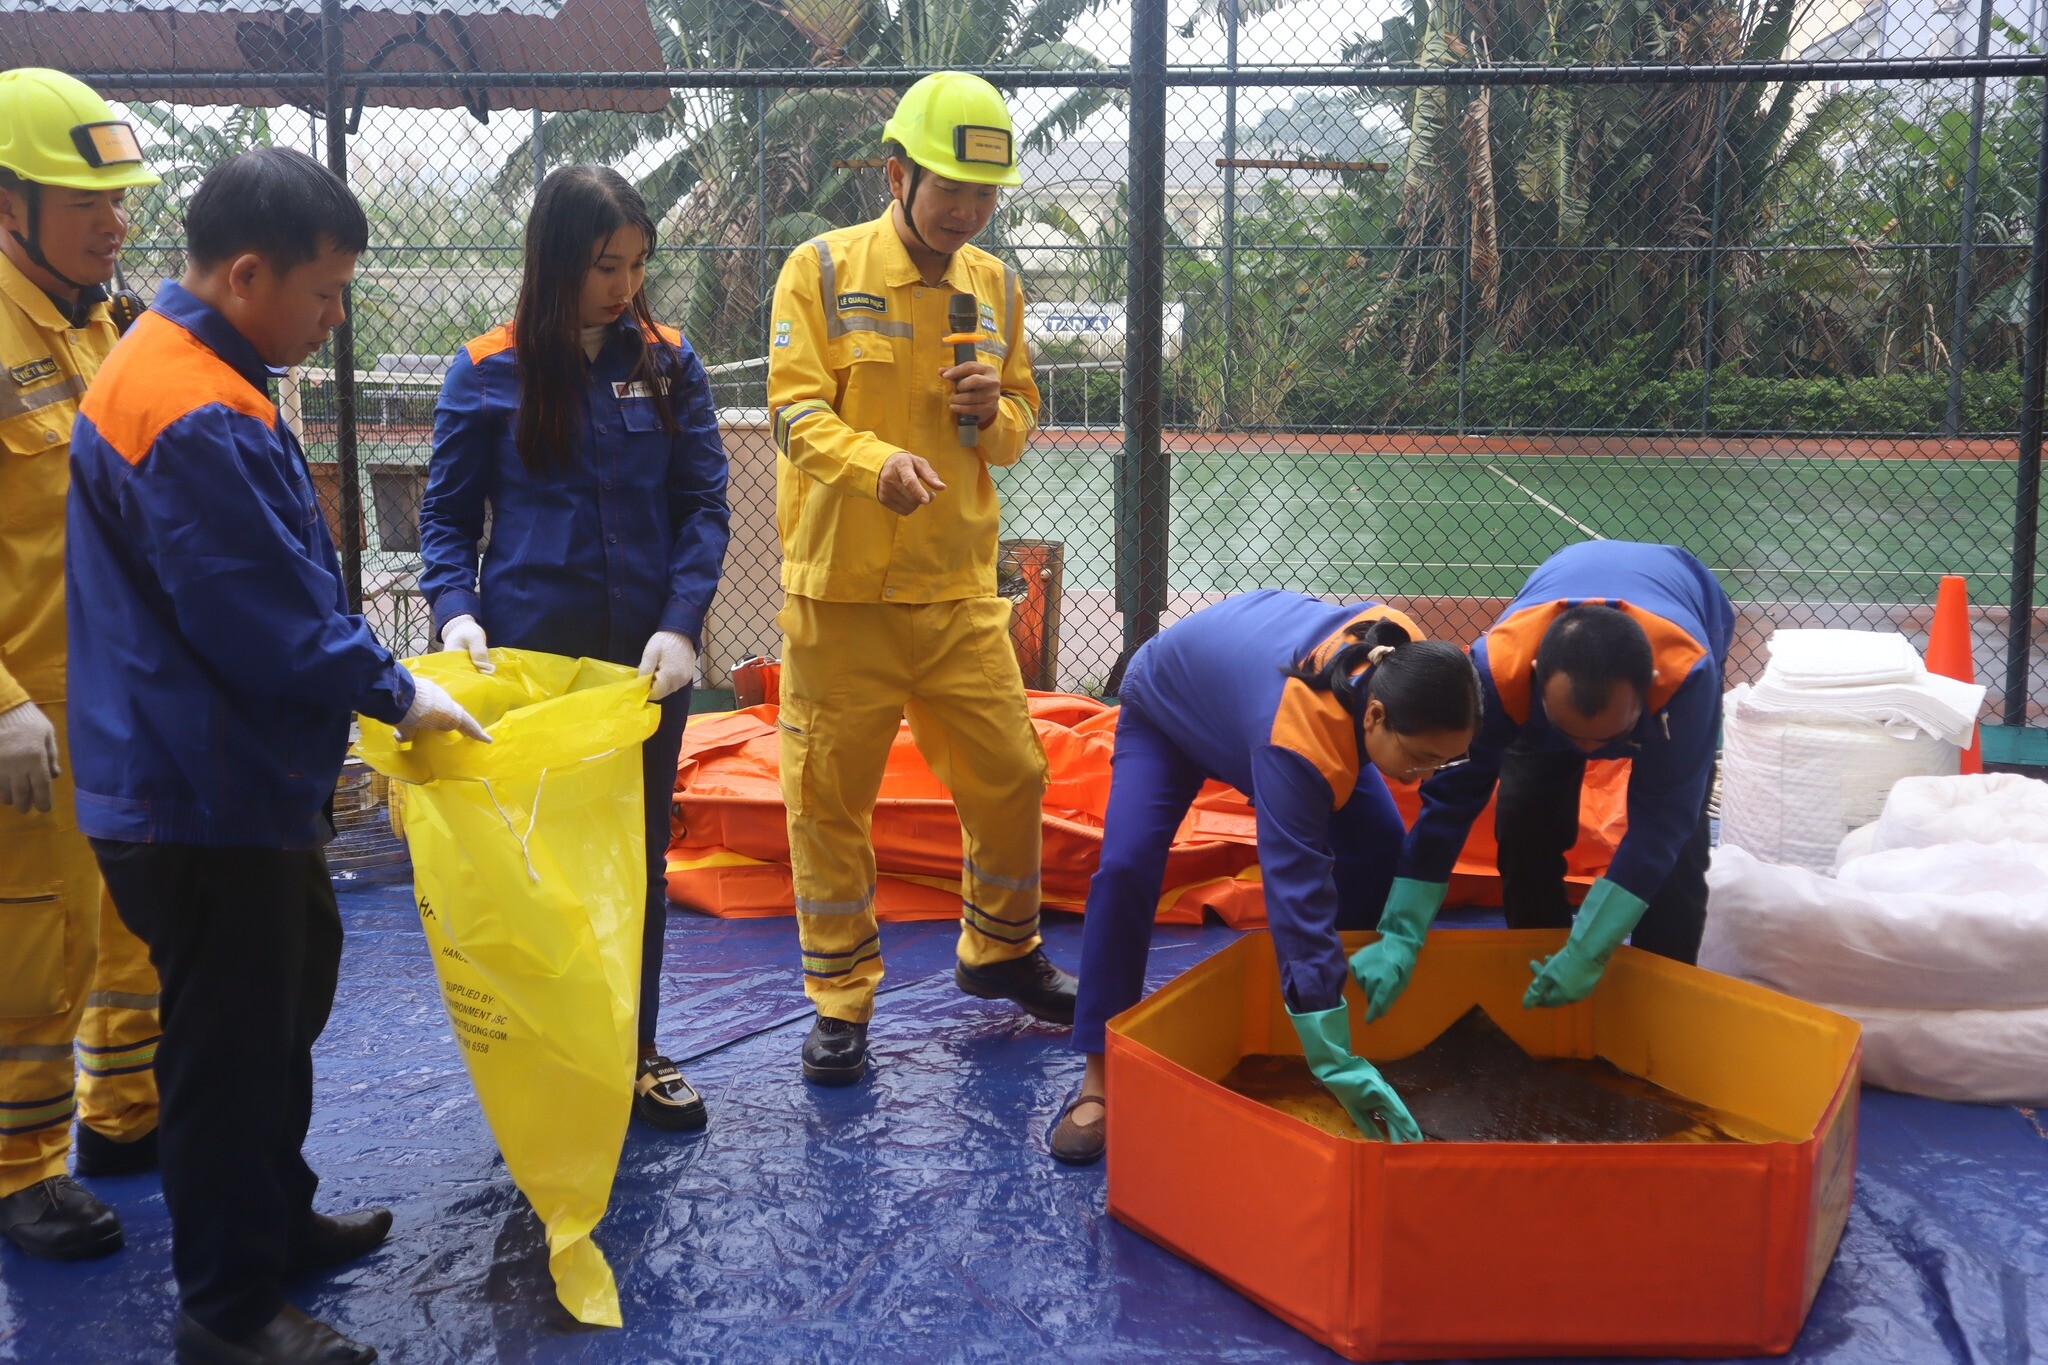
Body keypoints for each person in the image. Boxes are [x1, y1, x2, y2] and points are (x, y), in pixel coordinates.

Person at [68, 146, 488, 1365]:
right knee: (227, 1047)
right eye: (325, 293)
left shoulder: (198, 370)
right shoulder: (191, 405)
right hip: (195, 788)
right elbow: (259, 614)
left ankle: (276, 1217)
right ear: (247, 274)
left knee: (287, 995)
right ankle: (229, 1307)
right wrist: (397, 691)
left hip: (233, 774)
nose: (334, 318)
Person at [766, 71, 1074, 1085]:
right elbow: (792, 414)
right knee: (828, 802)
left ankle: (1001, 949)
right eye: (950, 188)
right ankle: (840, 999)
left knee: (1012, 772)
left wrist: (994, 412)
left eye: (984, 195)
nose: (967, 211)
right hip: (840, 595)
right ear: (896, 174)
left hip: (954, 590)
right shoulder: (819, 269)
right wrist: (874, 467)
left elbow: (1020, 424)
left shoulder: (996, 286)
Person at [418, 163, 731, 1132]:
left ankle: (634, 1049)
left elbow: (702, 505)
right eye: (604, 265)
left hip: (642, 667)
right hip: (533, 663)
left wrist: (681, 622)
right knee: (537, 862)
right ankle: (550, 1051)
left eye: (637, 263)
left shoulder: (668, 363)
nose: (624, 286)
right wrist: (455, 611)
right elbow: (445, 517)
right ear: (554, 261)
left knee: (636, 856)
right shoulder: (485, 369)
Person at [1048, 592, 1482, 1164]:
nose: (1424, 776)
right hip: (1169, 708)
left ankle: (1333, 1021)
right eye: (1421, 758)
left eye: (1443, 762)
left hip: (1254, 704)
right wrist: (1328, 1048)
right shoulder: (1297, 744)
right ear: (1374, 716)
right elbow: (1296, 895)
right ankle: (1099, 1075)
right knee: (1126, 868)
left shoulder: (1406, 659)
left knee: (1380, 848)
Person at [0, 66, 165, 1262]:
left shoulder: (105, 322)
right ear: (8, 204)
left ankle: (123, 1112)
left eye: (118, 200)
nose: (113, 223)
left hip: (119, 695)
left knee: (129, 923)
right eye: (83, 201)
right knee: (34, 944)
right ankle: (20, 1169)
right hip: (31, 717)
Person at [1350, 540, 1736, 1027]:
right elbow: (1450, 801)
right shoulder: (1496, 672)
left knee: (1678, 851)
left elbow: (1662, 825)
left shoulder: (1686, 678)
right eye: (1572, 734)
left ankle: (1660, 1000)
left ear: (1651, 685)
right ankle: (1537, 970)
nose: (1589, 753)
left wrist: (1589, 949)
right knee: (1523, 825)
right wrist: (1401, 932)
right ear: (1535, 678)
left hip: (1687, 600)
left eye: (1606, 739)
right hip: (1553, 696)